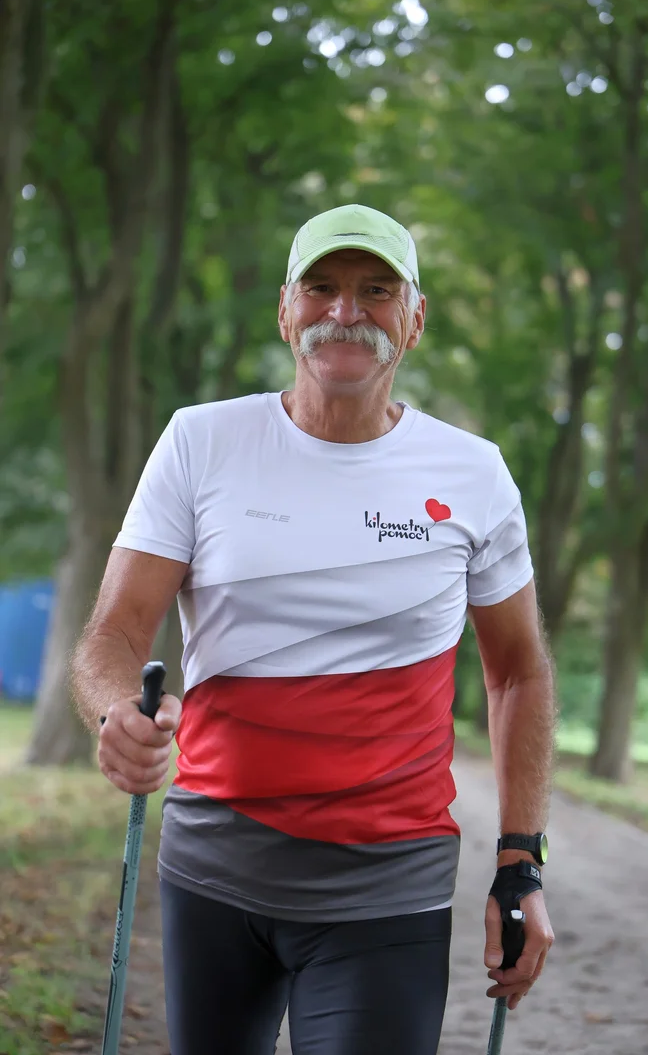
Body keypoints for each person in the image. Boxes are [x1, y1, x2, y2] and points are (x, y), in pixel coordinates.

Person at [71, 204, 555, 1055]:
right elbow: (113, 633)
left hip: (388, 885)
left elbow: (519, 671)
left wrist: (521, 861)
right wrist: (116, 712)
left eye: (377, 291)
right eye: (322, 287)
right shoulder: (200, 442)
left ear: (415, 319)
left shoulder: (473, 475)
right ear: (286, 310)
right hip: (214, 870)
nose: (346, 311)